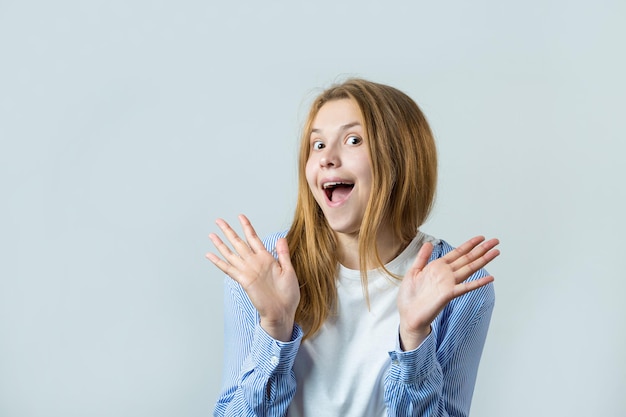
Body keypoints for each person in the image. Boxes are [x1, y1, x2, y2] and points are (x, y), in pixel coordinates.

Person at [206, 78, 500, 417]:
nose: (327, 158)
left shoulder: (460, 287)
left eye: (352, 140)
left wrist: (414, 340)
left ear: (400, 158)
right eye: (317, 145)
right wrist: (275, 327)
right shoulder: (262, 267)